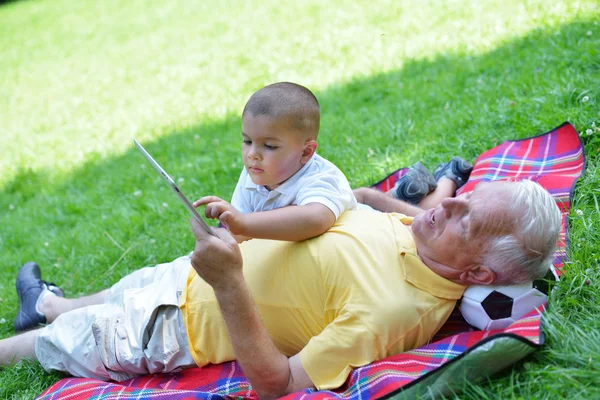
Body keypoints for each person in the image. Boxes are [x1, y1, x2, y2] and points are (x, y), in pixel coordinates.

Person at [2, 179, 561, 399]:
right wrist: (409, 200)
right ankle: (46, 303)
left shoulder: (394, 311)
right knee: (116, 290)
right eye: (463, 195)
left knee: (62, 340)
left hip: (175, 328)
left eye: (465, 217)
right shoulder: (427, 237)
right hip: (190, 275)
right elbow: (372, 201)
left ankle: (30, 336)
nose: (449, 206)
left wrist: (228, 282)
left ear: (478, 277)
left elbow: (277, 384)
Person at [194, 82, 357, 242]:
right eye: (247, 141)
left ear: (306, 152)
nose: (252, 154)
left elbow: (316, 219)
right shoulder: (253, 175)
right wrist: (224, 231)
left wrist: (243, 222)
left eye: (269, 146)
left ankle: (367, 197)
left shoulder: (321, 177)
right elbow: (243, 234)